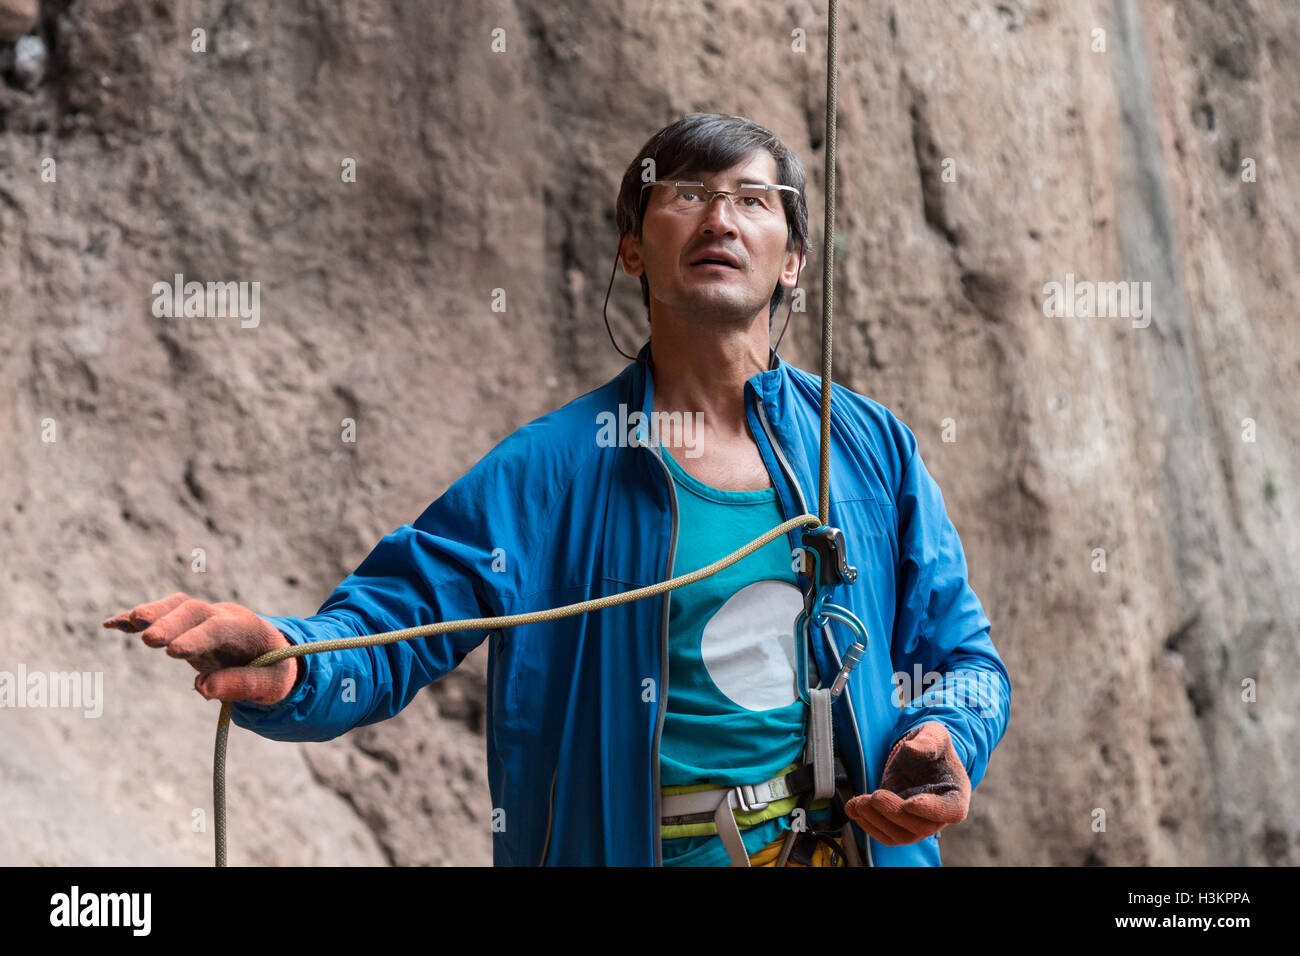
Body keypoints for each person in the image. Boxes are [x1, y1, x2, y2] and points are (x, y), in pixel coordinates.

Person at [105, 113, 1010, 867]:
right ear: (631, 249)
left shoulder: (865, 448)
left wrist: (943, 741)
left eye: (751, 199)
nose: (719, 220)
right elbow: (395, 627)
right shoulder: (553, 470)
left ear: (794, 260)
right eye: (685, 195)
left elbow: (964, 660)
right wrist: (291, 663)